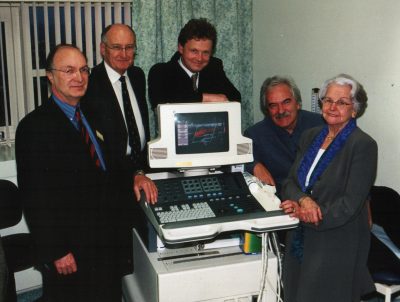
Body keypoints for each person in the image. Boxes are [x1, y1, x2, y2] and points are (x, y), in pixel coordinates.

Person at [15, 44, 127, 301]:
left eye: (83, 70)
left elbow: (111, 165)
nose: (79, 77)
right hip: (70, 249)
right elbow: (35, 198)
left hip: (105, 240)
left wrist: (137, 174)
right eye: (68, 70)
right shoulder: (34, 128)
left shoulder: (94, 113)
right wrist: (56, 250)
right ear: (50, 76)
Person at [280, 74, 377, 302]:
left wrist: (309, 215)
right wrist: (303, 201)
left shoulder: (363, 145)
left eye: (342, 102)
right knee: (294, 293)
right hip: (301, 233)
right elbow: (290, 183)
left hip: (337, 239)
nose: (333, 107)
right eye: (328, 100)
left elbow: (349, 205)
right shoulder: (310, 136)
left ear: (354, 110)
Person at [82, 24, 158, 271]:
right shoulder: (90, 85)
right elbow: (103, 149)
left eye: (129, 47)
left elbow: (139, 128)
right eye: (117, 47)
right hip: (113, 181)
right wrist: (134, 174)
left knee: (147, 250)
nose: (124, 54)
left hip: (142, 172)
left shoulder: (137, 75)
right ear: (103, 49)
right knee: (119, 255)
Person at [245, 76, 323, 196]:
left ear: (297, 103)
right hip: (281, 204)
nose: (281, 111)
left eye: (286, 102)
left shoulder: (320, 125)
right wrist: (254, 165)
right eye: (273, 105)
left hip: (319, 201)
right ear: (267, 110)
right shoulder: (255, 134)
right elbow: (238, 158)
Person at [148, 18, 241, 110]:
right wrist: (205, 98)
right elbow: (161, 102)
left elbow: (235, 99)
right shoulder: (161, 72)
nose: (200, 58)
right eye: (194, 51)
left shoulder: (214, 68)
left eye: (205, 52)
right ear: (181, 48)